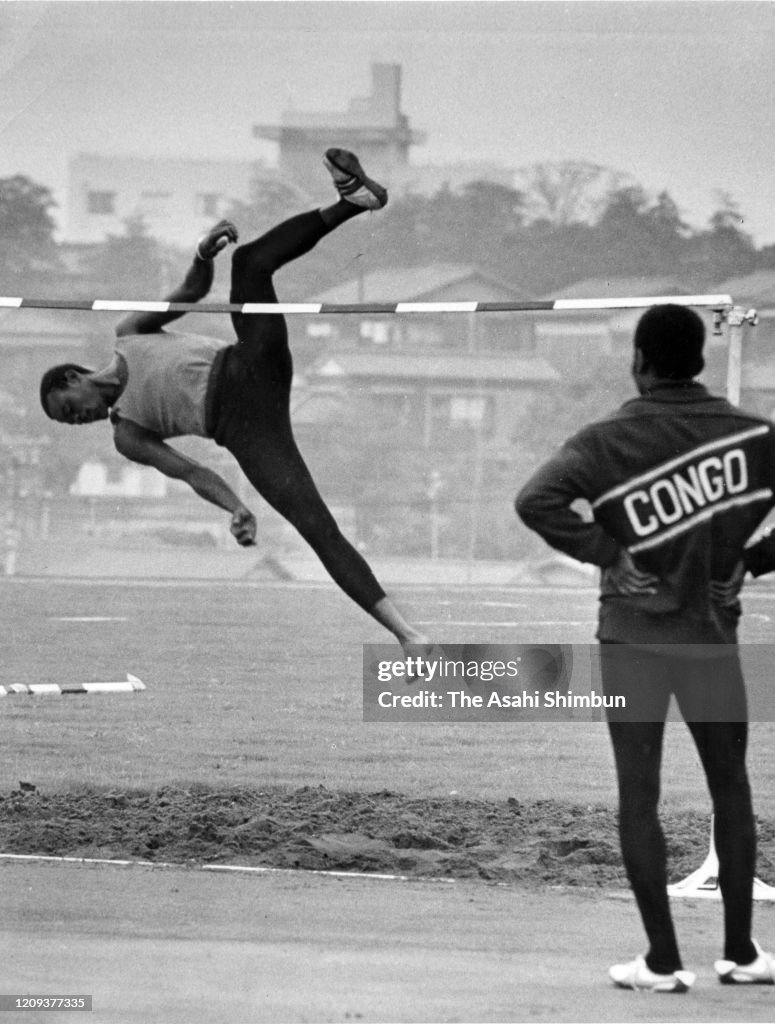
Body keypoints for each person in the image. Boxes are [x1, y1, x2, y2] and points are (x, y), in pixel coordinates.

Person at [40, 149, 429, 655]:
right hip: (247, 432)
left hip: (251, 364)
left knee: (249, 264)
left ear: (74, 376)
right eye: (71, 423)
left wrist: (203, 254)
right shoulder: (127, 435)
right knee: (317, 528)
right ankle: (408, 634)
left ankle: (354, 203)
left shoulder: (129, 332)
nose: (80, 419)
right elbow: (193, 473)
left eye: (70, 408)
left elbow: (191, 292)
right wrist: (237, 507)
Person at [515, 303, 775, 992]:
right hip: (712, 641)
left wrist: (603, 549)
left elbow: (534, 501)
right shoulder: (753, 435)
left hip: (631, 638)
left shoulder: (605, 439)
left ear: (638, 359)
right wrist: (753, 560)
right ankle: (742, 955)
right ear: (696, 358)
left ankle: (661, 962)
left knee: (639, 797)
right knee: (731, 790)